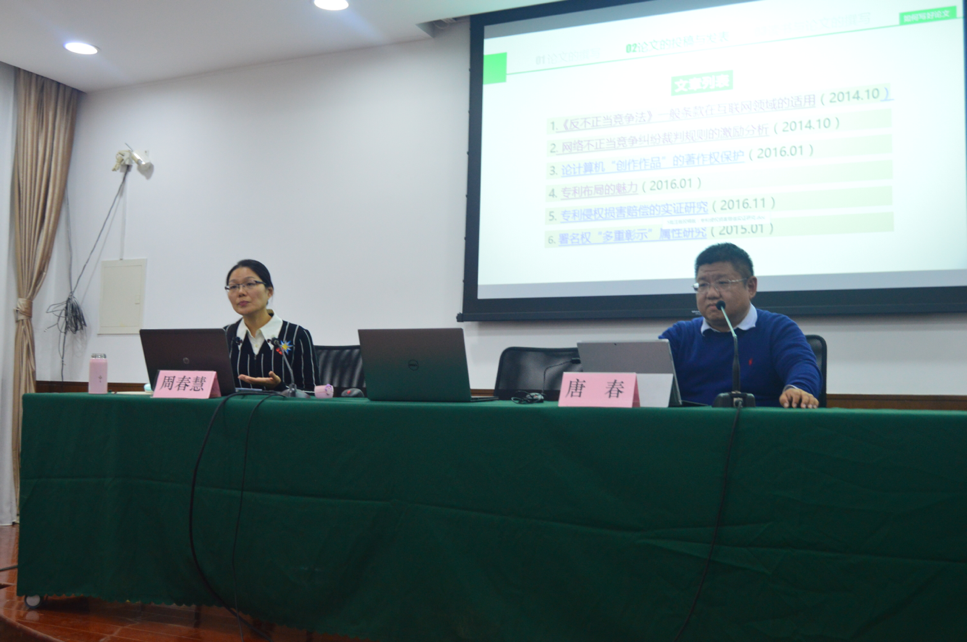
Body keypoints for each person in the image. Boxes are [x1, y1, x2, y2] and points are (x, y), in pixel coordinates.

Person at [660, 243, 821, 408]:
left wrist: (797, 389)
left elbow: (802, 366)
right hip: (691, 422)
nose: (711, 294)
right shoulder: (679, 336)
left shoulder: (778, 329)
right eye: (703, 285)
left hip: (758, 422)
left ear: (751, 287)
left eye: (722, 283)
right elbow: (648, 377)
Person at [224, 259, 316, 393]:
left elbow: (312, 393)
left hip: (282, 407)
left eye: (249, 284)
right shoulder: (224, 336)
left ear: (269, 292)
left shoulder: (296, 335)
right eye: (233, 287)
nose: (241, 292)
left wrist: (280, 387)